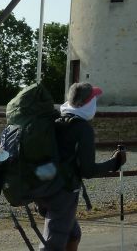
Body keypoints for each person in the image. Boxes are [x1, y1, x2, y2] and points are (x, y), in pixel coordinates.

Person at [36, 82, 127, 251]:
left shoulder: (55, 121)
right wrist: (115, 162)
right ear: (86, 104)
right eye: (93, 101)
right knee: (52, 246)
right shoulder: (82, 128)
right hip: (63, 192)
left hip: (42, 187)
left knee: (73, 234)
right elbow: (88, 171)